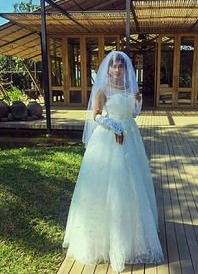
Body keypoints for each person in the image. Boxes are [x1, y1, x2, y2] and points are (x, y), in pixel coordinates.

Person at [62, 51, 165, 272]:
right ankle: (107, 239)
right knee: (112, 185)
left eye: (121, 66)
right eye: (114, 66)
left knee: (133, 184)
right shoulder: (103, 89)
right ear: (107, 69)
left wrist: (137, 104)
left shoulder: (130, 88)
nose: (117, 69)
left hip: (131, 138)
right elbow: (96, 114)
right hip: (111, 139)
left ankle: (132, 236)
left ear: (126, 69)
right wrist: (112, 125)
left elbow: (134, 114)